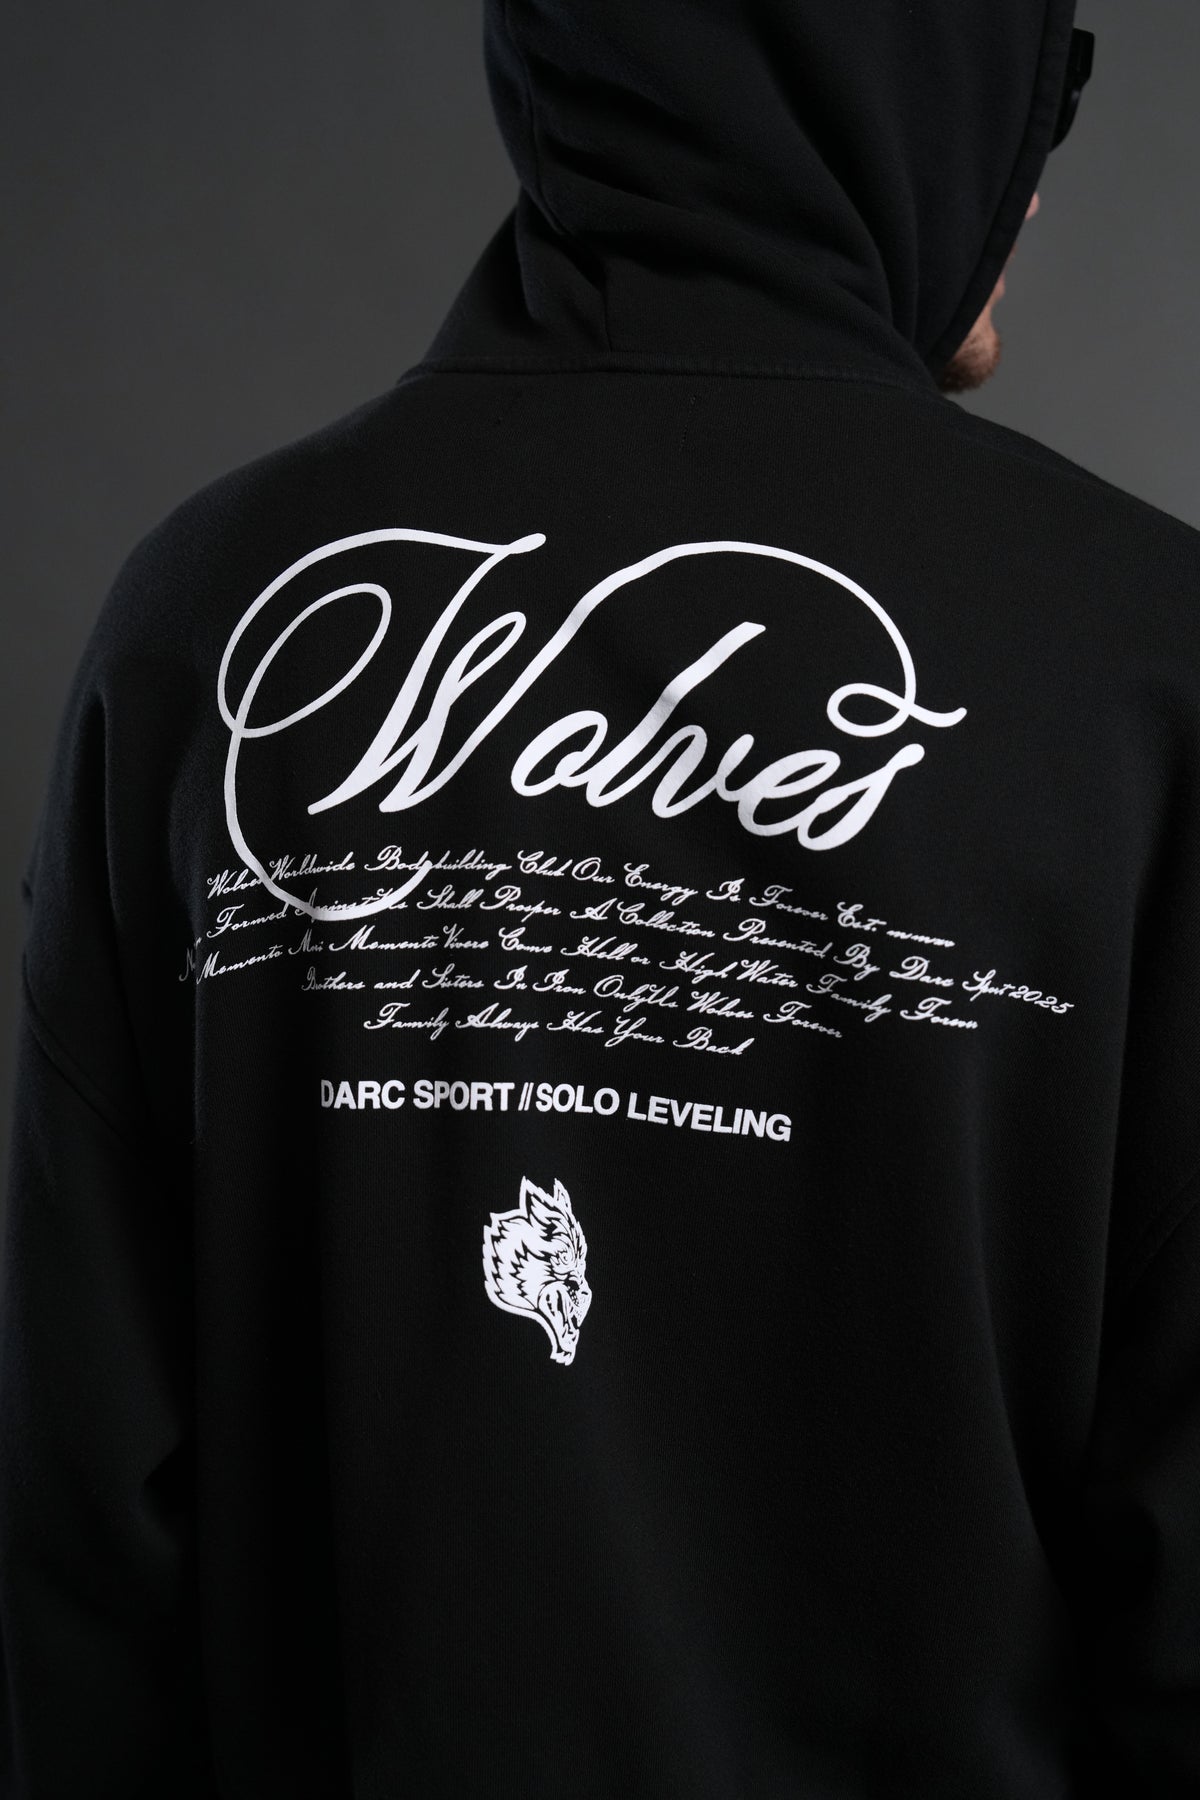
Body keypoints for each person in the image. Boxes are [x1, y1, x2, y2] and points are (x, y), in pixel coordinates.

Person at [1, 3, 1197, 1796]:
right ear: (902, 78)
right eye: (1040, 85)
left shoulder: (211, 610)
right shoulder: (1142, 664)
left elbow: (81, 1535)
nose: (1030, 187)